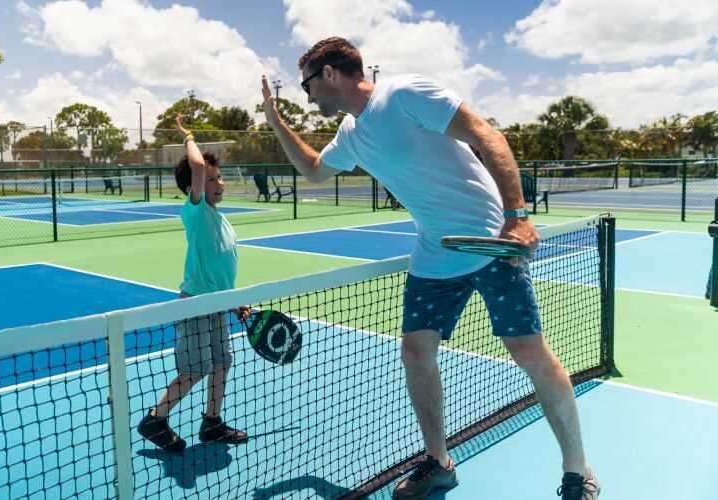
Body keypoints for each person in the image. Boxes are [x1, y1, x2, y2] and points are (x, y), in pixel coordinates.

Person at [259, 37, 599, 500]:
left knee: (528, 352)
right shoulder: (351, 133)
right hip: (434, 253)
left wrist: (517, 216)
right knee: (416, 353)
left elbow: (486, 135)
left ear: (331, 74)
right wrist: (276, 122)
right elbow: (316, 170)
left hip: (489, 241)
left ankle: (578, 471)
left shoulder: (404, 94)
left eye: (308, 84)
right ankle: (438, 462)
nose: (308, 95)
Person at [136, 114, 250, 452]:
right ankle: (155, 418)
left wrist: (234, 300)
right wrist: (188, 135)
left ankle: (211, 422)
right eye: (211, 178)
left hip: (216, 304)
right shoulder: (196, 212)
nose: (219, 182)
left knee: (221, 363)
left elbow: (221, 269)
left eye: (220, 177)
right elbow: (197, 165)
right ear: (193, 189)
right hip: (195, 304)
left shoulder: (221, 218)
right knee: (195, 369)